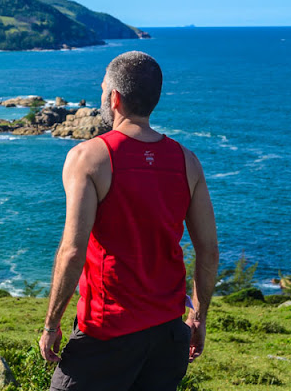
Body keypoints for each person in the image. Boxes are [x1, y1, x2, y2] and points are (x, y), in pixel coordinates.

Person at [39, 51, 219, 391]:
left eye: (103, 88)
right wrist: (198, 318)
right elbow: (208, 251)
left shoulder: (88, 158)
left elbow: (72, 251)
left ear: (115, 98)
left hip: (106, 333)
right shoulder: (188, 161)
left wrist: (52, 324)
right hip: (168, 335)